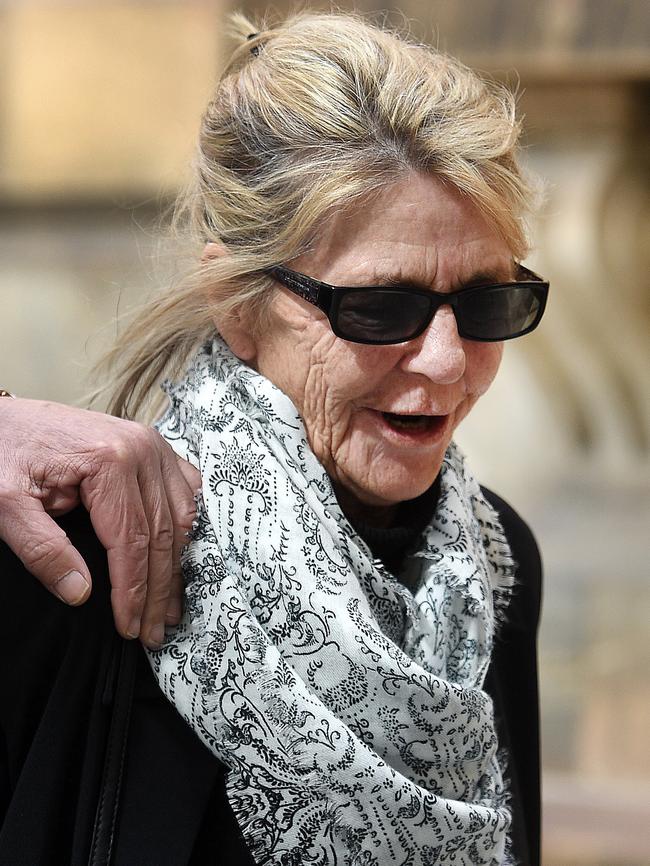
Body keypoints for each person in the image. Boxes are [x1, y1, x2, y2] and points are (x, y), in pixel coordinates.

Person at [0, 10, 546, 866]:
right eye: (379, 306)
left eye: (488, 303)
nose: (446, 364)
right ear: (237, 301)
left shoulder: (495, 562)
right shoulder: (80, 556)